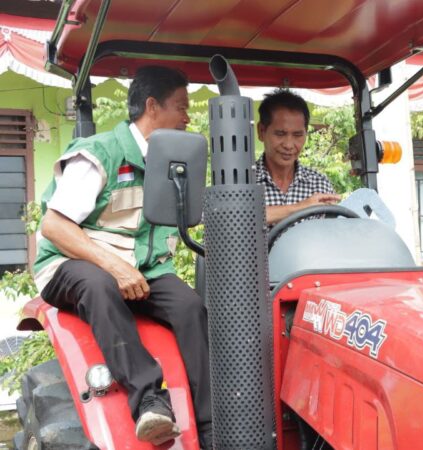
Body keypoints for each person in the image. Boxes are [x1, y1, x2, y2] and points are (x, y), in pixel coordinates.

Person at [33, 66, 212, 447]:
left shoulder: (170, 165)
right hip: (71, 267)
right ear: (152, 106)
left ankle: (213, 427)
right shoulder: (100, 154)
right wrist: (114, 266)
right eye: (180, 107)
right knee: (99, 285)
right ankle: (149, 401)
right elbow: (54, 227)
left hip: (143, 270)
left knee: (191, 307)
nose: (187, 117)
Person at [254, 89, 339, 229]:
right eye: (280, 134)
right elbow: (230, 218)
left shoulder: (319, 184)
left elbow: (329, 238)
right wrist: (302, 207)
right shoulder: (242, 182)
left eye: (298, 135)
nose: (288, 145)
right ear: (261, 131)